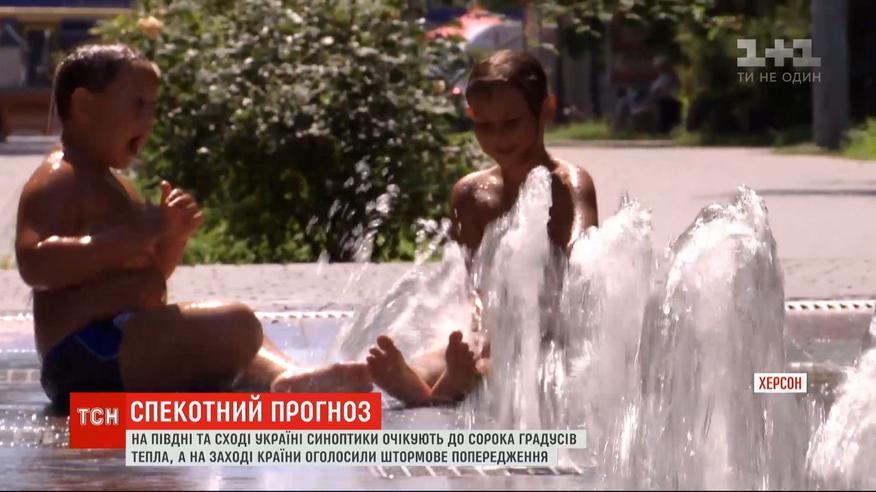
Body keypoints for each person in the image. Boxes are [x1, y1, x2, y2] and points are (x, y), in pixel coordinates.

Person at [15, 43, 371, 410]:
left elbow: (152, 273)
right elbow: (34, 263)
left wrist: (172, 237)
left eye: (153, 107)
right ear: (85, 106)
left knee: (237, 337)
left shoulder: (117, 185)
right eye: (138, 104)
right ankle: (283, 380)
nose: (150, 119)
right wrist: (138, 232)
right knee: (233, 323)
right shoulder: (60, 178)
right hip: (83, 356)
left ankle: (289, 378)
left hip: (118, 341)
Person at [366, 49, 599, 406]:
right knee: (445, 352)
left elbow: (586, 254)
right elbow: (475, 285)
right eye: (485, 126)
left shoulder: (570, 183)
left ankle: (451, 386)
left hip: (555, 333)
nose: (498, 137)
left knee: (515, 360)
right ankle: (423, 378)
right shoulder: (470, 194)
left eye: (511, 123)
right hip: (494, 329)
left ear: (546, 110)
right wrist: (481, 333)